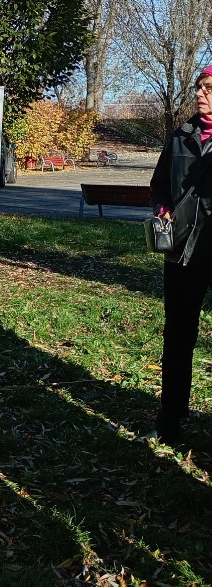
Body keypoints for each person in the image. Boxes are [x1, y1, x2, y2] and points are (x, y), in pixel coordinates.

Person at [149, 64, 212, 445]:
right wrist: (163, 209)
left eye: (208, 88)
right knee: (177, 337)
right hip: (182, 252)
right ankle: (170, 417)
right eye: (199, 87)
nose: (201, 94)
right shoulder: (180, 137)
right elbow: (158, 186)